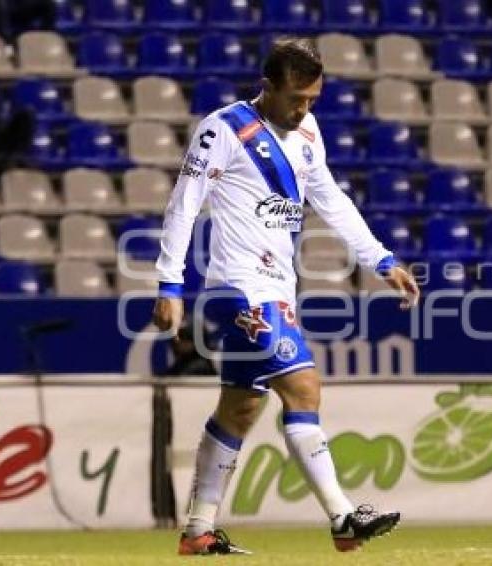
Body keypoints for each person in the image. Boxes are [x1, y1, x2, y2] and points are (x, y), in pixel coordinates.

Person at [152, 37, 420, 555]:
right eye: (296, 99)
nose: (304, 109)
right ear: (268, 86)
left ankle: (197, 531)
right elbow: (183, 206)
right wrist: (169, 283)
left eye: (313, 100)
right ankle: (343, 518)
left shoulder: (308, 132)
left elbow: (332, 200)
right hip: (239, 288)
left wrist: (380, 259)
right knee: (303, 390)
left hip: (277, 288)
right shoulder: (223, 130)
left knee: (240, 409)